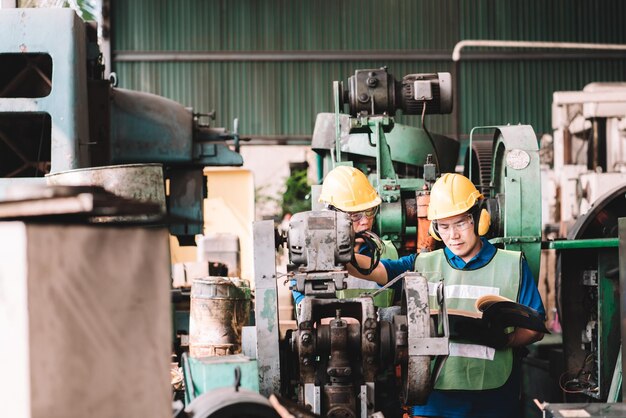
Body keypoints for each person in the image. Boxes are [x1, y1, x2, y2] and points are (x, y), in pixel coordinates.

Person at [348, 173, 545, 418]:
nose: (453, 235)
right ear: (435, 229)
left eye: (461, 223)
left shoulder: (512, 265)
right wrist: (340, 253)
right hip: (434, 398)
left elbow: (535, 327)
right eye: (444, 226)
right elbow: (377, 269)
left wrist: (504, 341)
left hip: (494, 398)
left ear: (479, 219)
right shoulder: (422, 263)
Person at [290, 165, 397, 305]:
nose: (365, 221)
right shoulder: (309, 259)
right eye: (355, 215)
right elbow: (305, 309)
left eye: (370, 211)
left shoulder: (388, 252)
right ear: (331, 215)